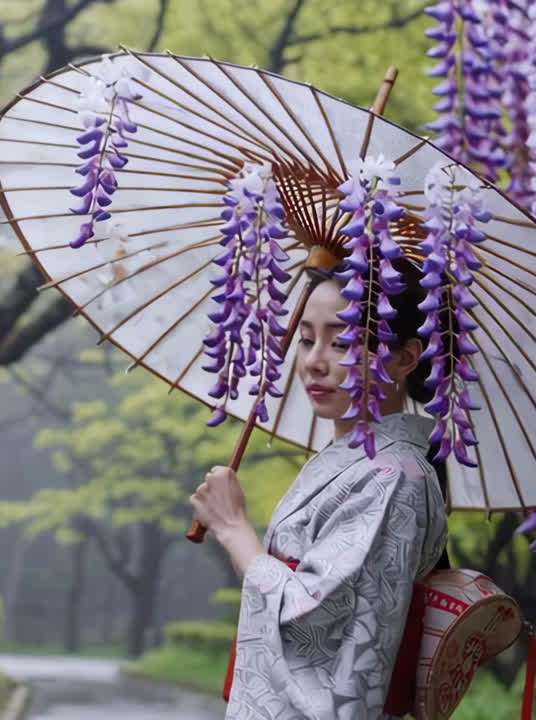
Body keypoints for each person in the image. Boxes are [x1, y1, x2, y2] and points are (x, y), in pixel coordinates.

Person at [189, 259, 450, 720]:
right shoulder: (354, 464)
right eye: (307, 339)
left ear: (406, 357)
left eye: (342, 340)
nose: (313, 361)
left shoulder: (394, 477)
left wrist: (234, 530)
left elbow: (316, 616)